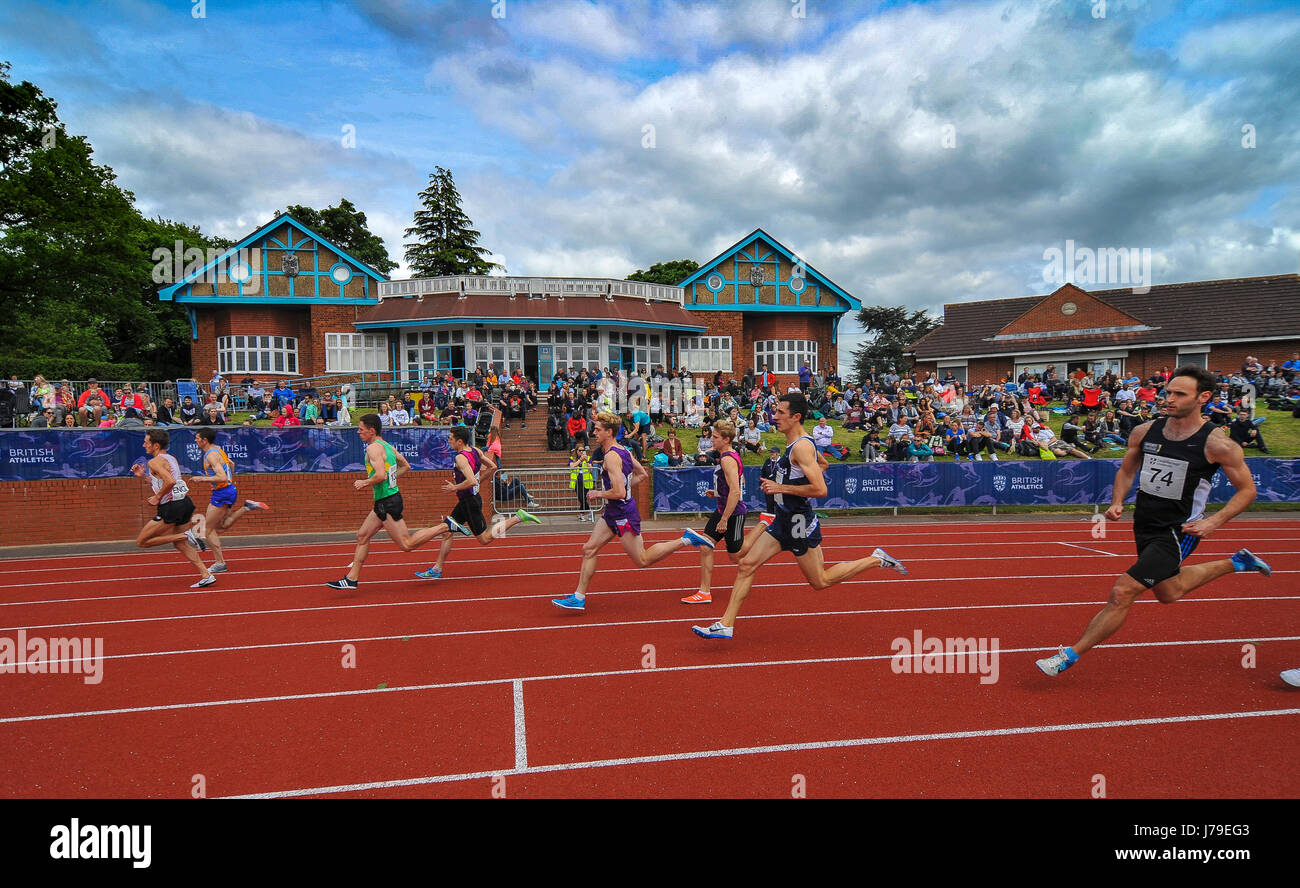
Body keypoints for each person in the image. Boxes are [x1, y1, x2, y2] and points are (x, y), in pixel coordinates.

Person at [1036, 366, 1272, 676]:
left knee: (1123, 592)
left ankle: (1068, 656)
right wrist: (1118, 501)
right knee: (1168, 593)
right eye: (1168, 392)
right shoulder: (1145, 431)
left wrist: (1213, 522)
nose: (1169, 399)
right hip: (1144, 522)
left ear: (1203, 397)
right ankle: (1237, 562)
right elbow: (1127, 470)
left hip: (1178, 531)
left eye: (1179, 394)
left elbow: (1247, 490)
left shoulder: (1217, 444)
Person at [692, 393, 908, 639]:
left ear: (795, 417)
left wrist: (781, 488)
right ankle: (726, 623)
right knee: (746, 564)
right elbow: (823, 464)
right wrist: (782, 482)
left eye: (780, 413)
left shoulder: (803, 446)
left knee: (820, 581)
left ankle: (875, 559)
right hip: (783, 519)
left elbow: (820, 489)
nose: (774, 417)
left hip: (798, 522)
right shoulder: (797, 445)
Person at [552, 411, 714, 611]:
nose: (594, 432)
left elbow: (619, 491)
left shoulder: (612, 457)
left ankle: (686, 539)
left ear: (609, 432)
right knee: (589, 549)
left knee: (642, 559)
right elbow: (642, 475)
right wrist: (624, 491)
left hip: (623, 514)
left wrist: (598, 493)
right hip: (613, 512)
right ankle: (579, 596)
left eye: (598, 430)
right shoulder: (624, 451)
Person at [326, 414, 467, 591]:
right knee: (362, 536)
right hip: (384, 501)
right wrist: (388, 481)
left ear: (372, 430)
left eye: (361, 429)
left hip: (387, 502)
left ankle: (446, 526)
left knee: (407, 545)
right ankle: (351, 578)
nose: (358, 431)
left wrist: (365, 482)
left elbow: (380, 475)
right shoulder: (388, 447)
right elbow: (406, 466)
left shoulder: (373, 449)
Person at [413, 427, 541, 580]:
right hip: (467, 500)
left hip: (469, 502)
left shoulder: (460, 458)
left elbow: (471, 480)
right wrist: (479, 481)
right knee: (447, 532)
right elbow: (493, 467)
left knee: (484, 539)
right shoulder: (475, 451)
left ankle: (518, 517)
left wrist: (455, 487)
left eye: (451, 439)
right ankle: (437, 569)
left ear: (460, 441)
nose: (448, 441)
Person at [130, 428, 214, 589]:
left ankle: (184, 535)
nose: (143, 445)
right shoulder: (170, 458)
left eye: (146, 443)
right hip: (184, 503)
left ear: (155, 445)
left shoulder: (153, 461)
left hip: (171, 507)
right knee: (181, 545)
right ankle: (206, 574)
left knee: (142, 541)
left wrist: (156, 497)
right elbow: (164, 481)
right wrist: (145, 477)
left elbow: (170, 482)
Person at [185, 427, 271, 572]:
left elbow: (222, 477)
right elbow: (231, 464)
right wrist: (230, 482)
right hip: (229, 491)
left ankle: (220, 563)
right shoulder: (218, 450)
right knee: (222, 526)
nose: (195, 440)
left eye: (197, 438)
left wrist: (202, 478)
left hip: (221, 493)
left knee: (207, 529)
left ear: (204, 440)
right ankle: (247, 507)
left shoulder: (210, 456)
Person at [683, 421, 749, 604]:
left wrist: (725, 519)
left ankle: (763, 526)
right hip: (723, 508)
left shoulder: (728, 458)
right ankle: (704, 592)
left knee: (735, 556)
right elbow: (731, 487)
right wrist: (718, 493)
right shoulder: (725, 456)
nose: (712, 439)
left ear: (726, 439)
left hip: (733, 512)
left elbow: (736, 491)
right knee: (705, 546)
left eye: (716, 437)